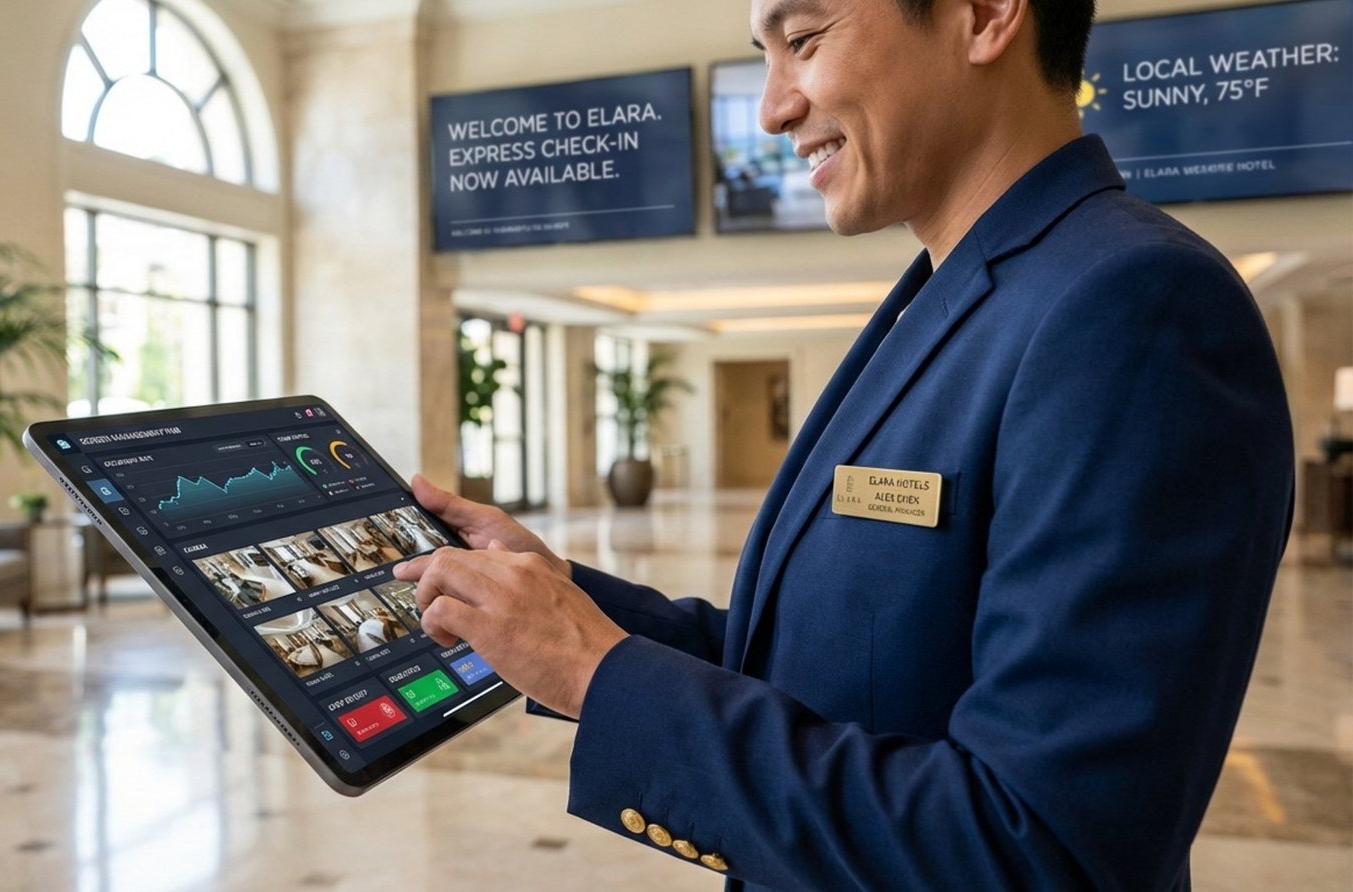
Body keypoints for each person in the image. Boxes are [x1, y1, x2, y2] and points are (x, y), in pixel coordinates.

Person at [392, 0, 1294, 887]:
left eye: (806, 41)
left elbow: (1039, 848)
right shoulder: (952, 294)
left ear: (983, 16)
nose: (773, 106)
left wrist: (599, 675)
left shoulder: (1133, 307)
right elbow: (820, 667)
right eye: (765, 54)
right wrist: (559, 600)